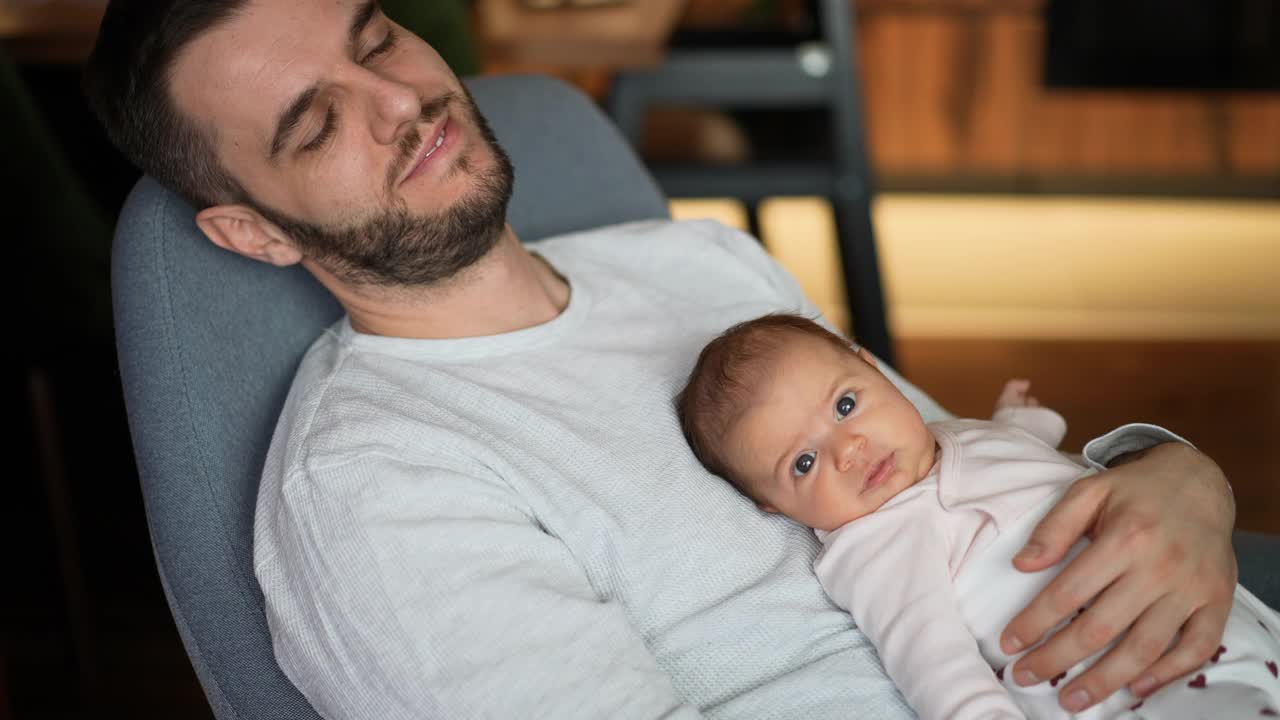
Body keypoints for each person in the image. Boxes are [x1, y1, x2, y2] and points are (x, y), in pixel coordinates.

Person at [82, 1, 1242, 717]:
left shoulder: (700, 267)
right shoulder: (382, 489)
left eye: (375, 35)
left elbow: (941, 460)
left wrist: (1171, 471)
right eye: (316, 122)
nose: (402, 101)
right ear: (254, 232)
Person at [677, 314, 1280, 719]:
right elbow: (934, 664)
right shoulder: (874, 545)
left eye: (845, 404)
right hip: (1139, 687)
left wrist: (1021, 420)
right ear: (773, 507)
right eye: (804, 462)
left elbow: (1009, 453)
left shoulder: (939, 437)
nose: (849, 449)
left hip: (1218, 615)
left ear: (873, 369)